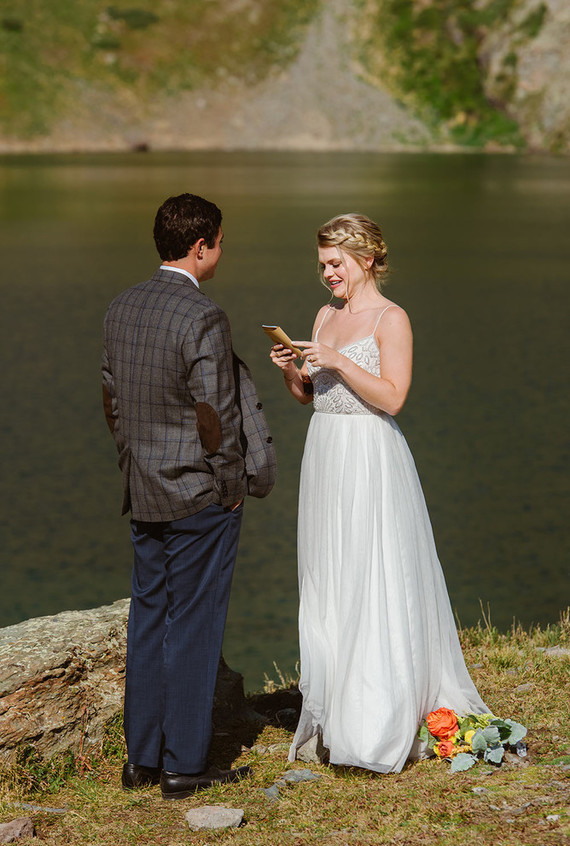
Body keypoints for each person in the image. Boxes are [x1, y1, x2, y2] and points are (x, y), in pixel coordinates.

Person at [270, 213, 489, 773]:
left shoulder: (392, 319)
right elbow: (311, 397)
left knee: (374, 572)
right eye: (322, 265)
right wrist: (293, 372)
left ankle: (376, 719)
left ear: (366, 259)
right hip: (326, 455)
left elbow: (393, 398)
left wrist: (339, 361)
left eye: (335, 263)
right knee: (333, 574)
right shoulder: (324, 315)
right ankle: (336, 706)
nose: (327, 275)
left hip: (371, 456)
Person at [102, 192, 275, 799]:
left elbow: (112, 403)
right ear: (201, 246)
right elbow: (215, 415)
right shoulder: (203, 316)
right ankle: (184, 763)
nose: (221, 251)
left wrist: (136, 466)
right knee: (196, 623)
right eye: (221, 242)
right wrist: (229, 489)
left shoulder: (122, 307)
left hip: (143, 489)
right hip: (199, 496)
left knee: (149, 617)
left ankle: (141, 760)